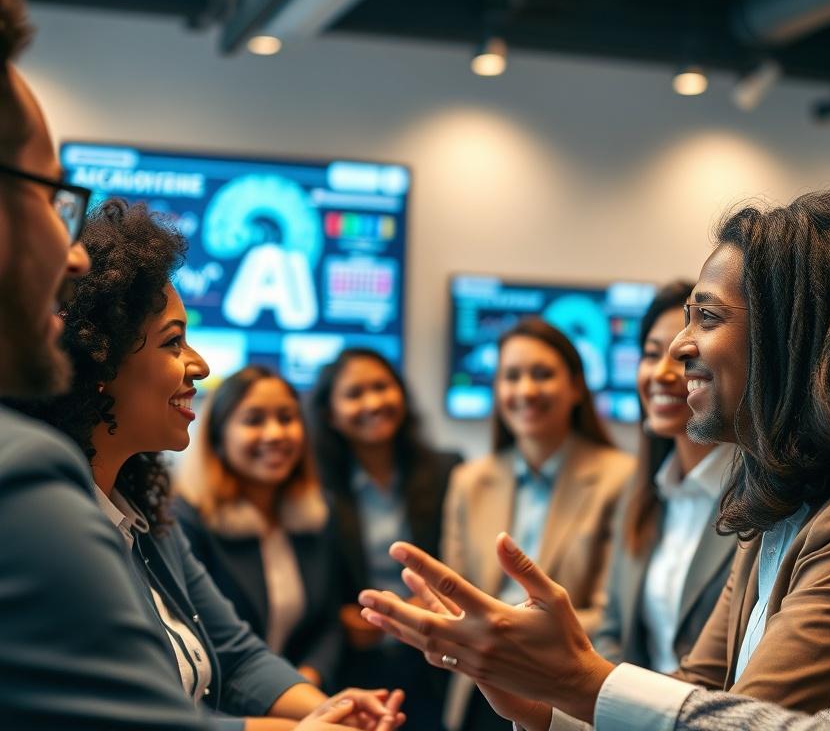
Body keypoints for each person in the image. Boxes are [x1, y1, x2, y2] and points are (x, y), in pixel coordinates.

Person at [358, 142, 830, 729]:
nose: (677, 349)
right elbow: (699, 693)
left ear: (789, 339)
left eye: (705, 317)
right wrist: (548, 709)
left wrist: (576, 680)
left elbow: (745, 719)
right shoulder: (771, 502)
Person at [13, 197, 404, 731]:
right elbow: (139, 720)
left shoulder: (147, 514)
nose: (200, 364)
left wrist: (326, 708)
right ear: (99, 360)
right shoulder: (49, 522)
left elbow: (236, 653)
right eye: (174, 342)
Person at [442, 317, 636, 731]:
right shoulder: (468, 481)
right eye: (512, 376)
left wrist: (506, 632)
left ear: (576, 387)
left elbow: (612, 613)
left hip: (568, 689)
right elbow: (455, 599)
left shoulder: (622, 479)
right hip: (479, 689)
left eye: (543, 374)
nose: (526, 390)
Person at [309, 348, 462, 730]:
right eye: (355, 393)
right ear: (330, 414)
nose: (373, 402)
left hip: (436, 658)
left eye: (382, 387)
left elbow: (463, 561)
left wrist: (428, 603)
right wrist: (342, 615)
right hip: (353, 662)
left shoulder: (447, 471)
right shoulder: (314, 486)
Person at [593, 280, 737, 672]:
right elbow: (614, 632)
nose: (661, 373)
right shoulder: (640, 492)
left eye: (680, 355)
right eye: (651, 353)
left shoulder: (759, 497)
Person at [175, 366, 346, 691]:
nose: (275, 434)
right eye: (254, 420)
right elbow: (203, 645)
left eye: (287, 418)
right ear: (218, 436)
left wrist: (309, 678)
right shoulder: (185, 520)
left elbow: (329, 622)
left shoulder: (317, 512)